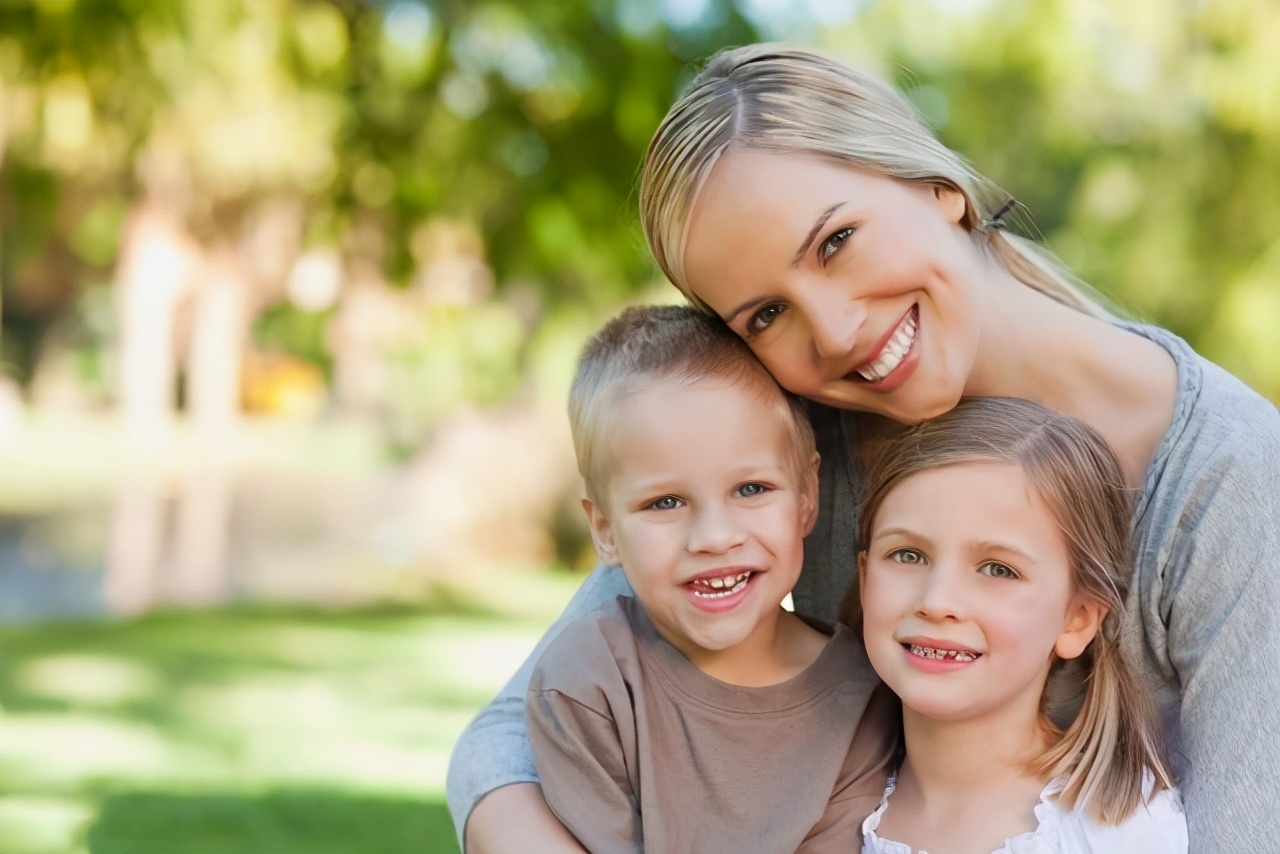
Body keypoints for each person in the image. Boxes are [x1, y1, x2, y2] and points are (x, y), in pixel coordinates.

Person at [447, 44, 1280, 853]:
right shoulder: (793, 459)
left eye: (837, 241)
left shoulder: (1230, 479)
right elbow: (504, 741)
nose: (837, 329)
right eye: (765, 315)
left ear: (936, 186)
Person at [525, 304, 895, 853]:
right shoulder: (587, 684)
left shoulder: (866, 692)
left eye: (750, 489)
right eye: (665, 501)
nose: (714, 537)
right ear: (604, 530)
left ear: (806, 496)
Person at [844, 397, 1186, 853]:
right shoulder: (829, 802)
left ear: (1077, 618)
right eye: (908, 555)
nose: (938, 601)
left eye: (998, 569)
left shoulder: (1118, 831)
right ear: (865, 578)